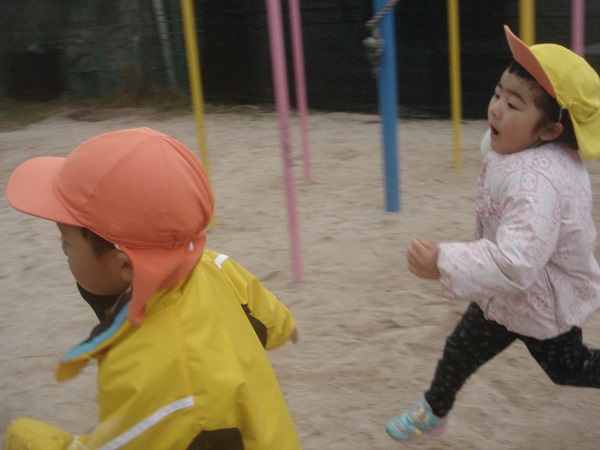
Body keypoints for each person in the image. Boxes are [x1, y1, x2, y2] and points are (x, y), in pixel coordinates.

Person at [4, 127, 301, 449]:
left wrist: (22, 438)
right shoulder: (209, 265)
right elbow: (258, 306)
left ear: (125, 266)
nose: (63, 249)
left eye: (66, 241)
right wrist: (284, 325)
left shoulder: (153, 376)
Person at [386, 25, 600, 442]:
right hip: (502, 297)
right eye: (498, 94)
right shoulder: (524, 151)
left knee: (567, 368)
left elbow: (516, 263)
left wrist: (443, 262)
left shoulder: (536, 185)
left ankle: (435, 408)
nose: (496, 109)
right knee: (460, 349)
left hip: (543, 303)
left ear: (550, 131)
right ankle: (434, 411)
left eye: (513, 104)